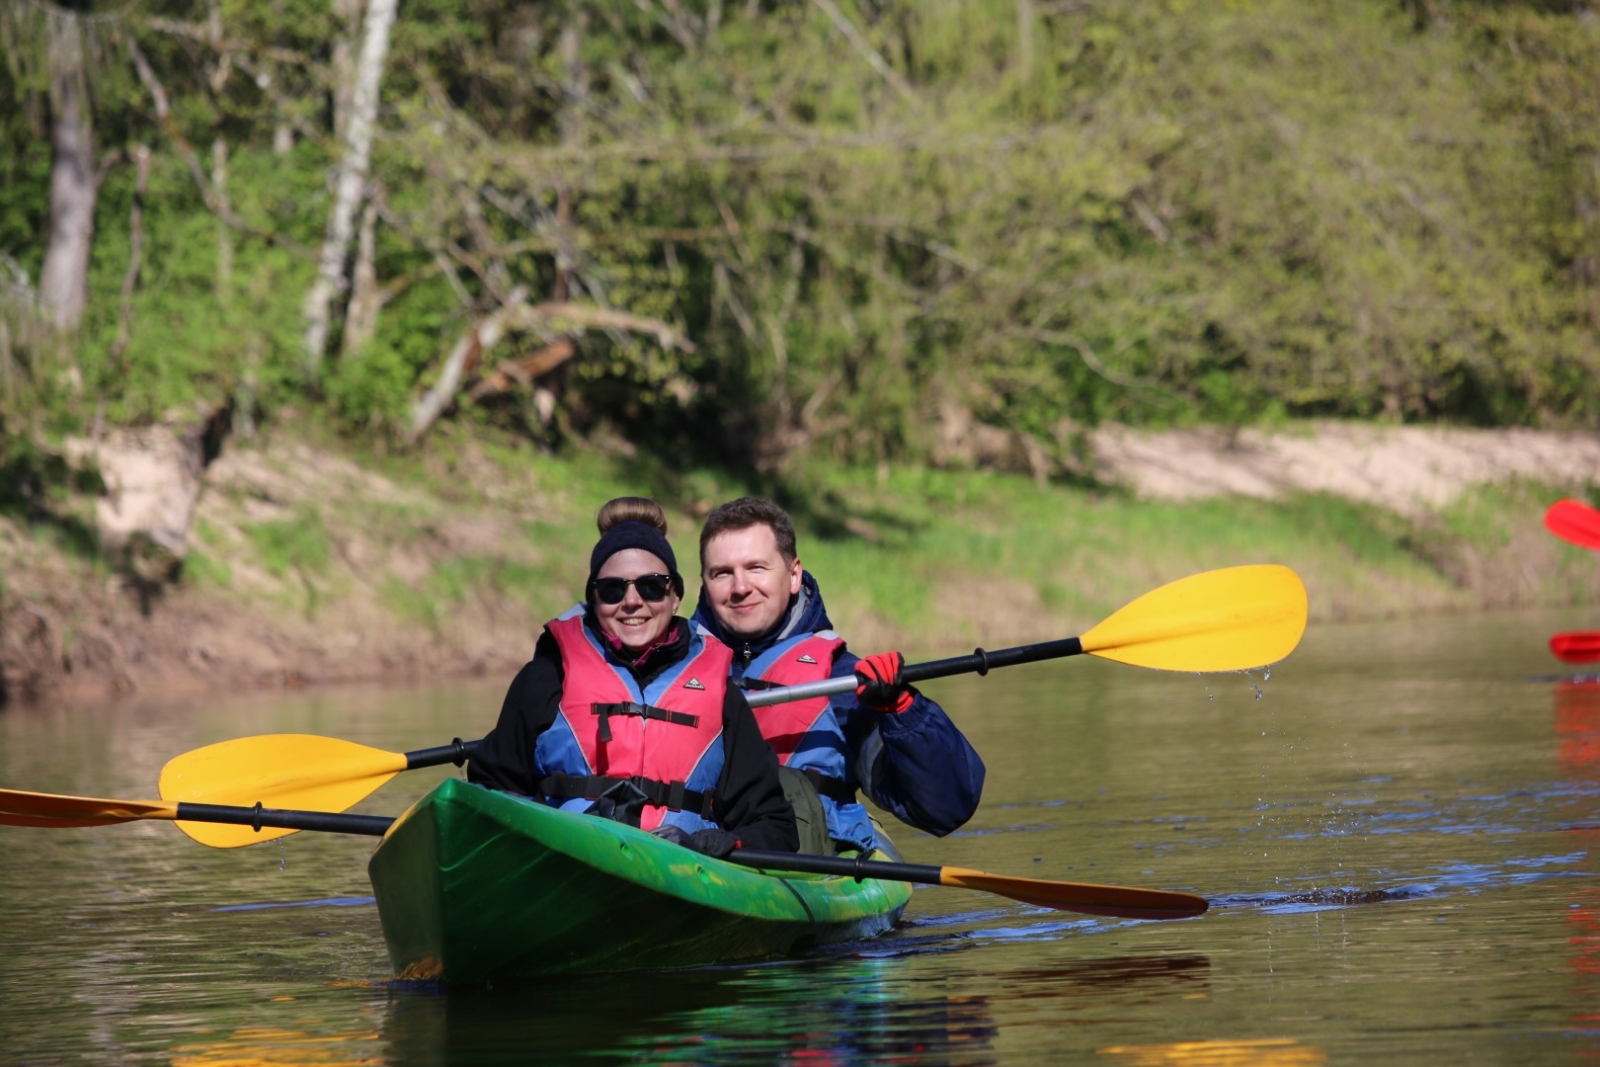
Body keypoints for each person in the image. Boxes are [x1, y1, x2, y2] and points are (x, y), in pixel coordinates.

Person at [467, 497, 798, 857]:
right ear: (594, 598)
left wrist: (717, 843)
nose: (632, 601)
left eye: (651, 586)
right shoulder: (547, 678)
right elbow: (490, 793)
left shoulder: (721, 694)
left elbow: (776, 827)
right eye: (613, 589)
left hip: (684, 874)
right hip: (569, 862)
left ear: (675, 597)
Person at [690, 497, 985, 853]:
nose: (740, 587)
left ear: (794, 575)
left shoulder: (843, 680)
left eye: (756, 568)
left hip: (808, 867)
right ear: (704, 583)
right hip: (694, 856)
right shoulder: (665, 671)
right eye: (722, 573)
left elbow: (946, 808)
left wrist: (903, 711)